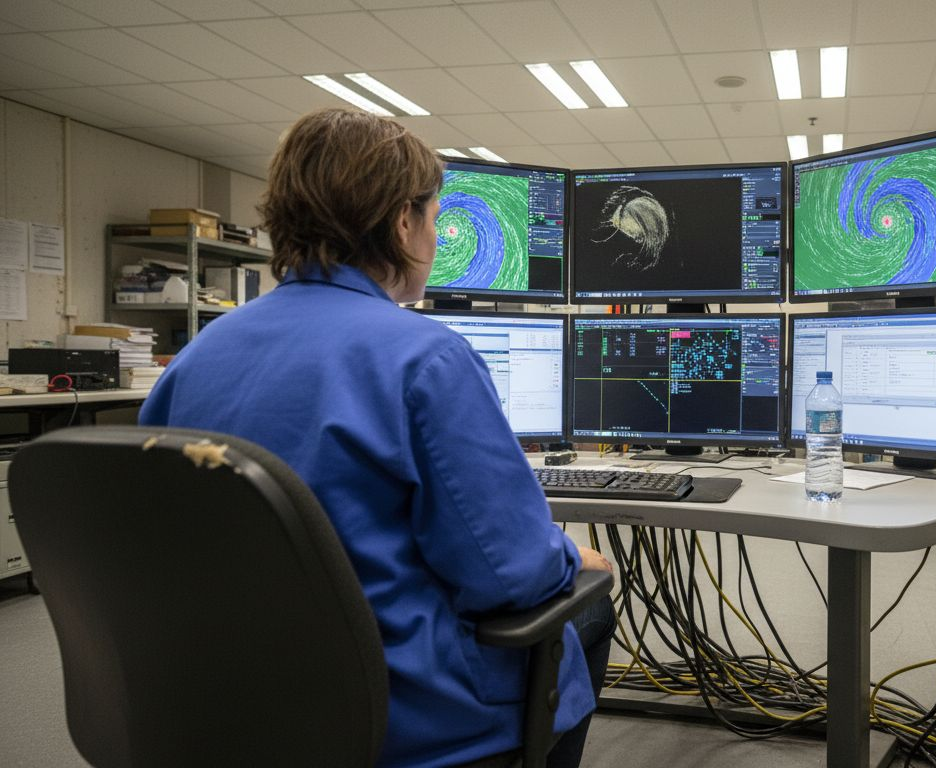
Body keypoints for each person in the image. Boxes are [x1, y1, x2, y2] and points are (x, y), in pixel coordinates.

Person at [139, 107, 614, 768]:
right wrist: (571, 559)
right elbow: (510, 578)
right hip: (399, 713)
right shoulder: (426, 357)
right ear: (402, 222)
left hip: (233, 701)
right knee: (587, 607)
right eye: (435, 218)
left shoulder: (196, 357)